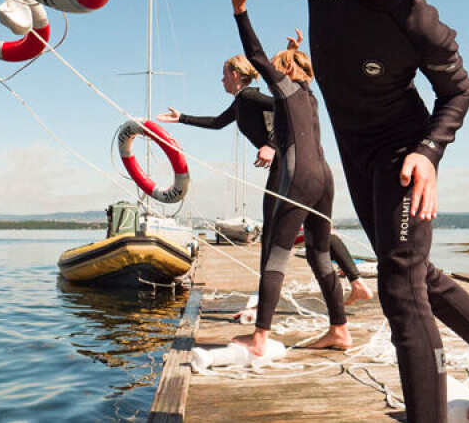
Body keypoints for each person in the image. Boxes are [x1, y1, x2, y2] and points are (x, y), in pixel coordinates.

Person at [88, 0, 469, 421]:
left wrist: (429, 151)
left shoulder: (422, 27)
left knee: (400, 289)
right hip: (356, 156)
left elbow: (457, 91)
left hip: (401, 153)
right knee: (415, 275)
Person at [156, 38, 374, 306]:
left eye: (224, 74)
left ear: (235, 74)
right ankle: (356, 281)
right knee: (311, 227)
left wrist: (271, 145)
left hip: (287, 163)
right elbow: (216, 123)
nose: (221, 80)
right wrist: (181, 118)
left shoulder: (249, 96)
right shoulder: (240, 103)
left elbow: (286, 106)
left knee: (273, 232)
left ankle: (262, 302)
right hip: (289, 165)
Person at [224, 0, 351, 355]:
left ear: (289, 73)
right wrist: (295, 50)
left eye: (282, 69)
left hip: (298, 178)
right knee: (319, 254)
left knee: (275, 253)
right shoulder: (309, 95)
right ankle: (340, 329)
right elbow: (293, 67)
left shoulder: (287, 87)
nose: (272, 75)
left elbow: (260, 58)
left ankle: (260, 337)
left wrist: (240, 13)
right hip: (325, 177)